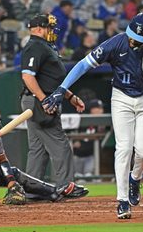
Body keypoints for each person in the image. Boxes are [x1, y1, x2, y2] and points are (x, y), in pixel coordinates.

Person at [42, 13, 143, 219]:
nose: (133, 41)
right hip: (121, 97)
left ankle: (135, 179)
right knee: (123, 148)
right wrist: (62, 89)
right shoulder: (115, 43)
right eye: (132, 36)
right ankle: (122, 200)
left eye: (139, 39)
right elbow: (82, 65)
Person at [20, 14, 86, 186]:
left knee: (38, 150)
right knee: (60, 145)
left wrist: (70, 96)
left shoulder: (44, 46)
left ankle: (32, 189)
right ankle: (66, 186)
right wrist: (44, 100)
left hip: (39, 98)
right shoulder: (35, 46)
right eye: (49, 28)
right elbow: (27, 76)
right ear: (39, 29)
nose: (52, 31)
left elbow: (51, 79)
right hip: (39, 101)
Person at [73, 99, 104, 180]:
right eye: (99, 108)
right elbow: (70, 132)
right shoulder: (81, 120)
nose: (101, 110)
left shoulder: (102, 123)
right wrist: (75, 141)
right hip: (78, 155)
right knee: (78, 177)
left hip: (91, 155)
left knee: (89, 176)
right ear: (92, 109)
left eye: (101, 108)